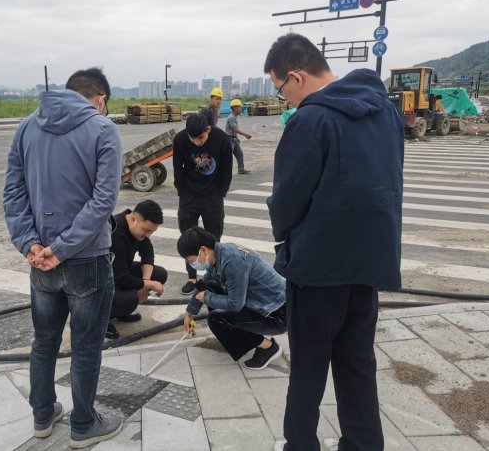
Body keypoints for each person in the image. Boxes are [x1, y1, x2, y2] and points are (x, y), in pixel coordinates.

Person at [264, 34, 404, 451]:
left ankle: (300, 444)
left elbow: (287, 199)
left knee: (308, 368)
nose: (285, 100)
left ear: (295, 77)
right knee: (357, 364)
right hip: (370, 263)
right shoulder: (386, 111)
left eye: (280, 90)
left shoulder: (310, 120)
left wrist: (284, 235)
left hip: (318, 268)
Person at [3, 67, 124, 449]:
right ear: (100, 99)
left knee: (44, 342)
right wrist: (64, 248)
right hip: (86, 260)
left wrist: (30, 244)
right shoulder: (103, 130)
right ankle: (83, 425)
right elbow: (103, 201)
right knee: (86, 347)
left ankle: (42, 416)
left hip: (40, 261)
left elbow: (13, 193)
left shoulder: (26, 127)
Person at [178, 227, 287, 370]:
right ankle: (239, 335)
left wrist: (207, 297)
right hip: (264, 305)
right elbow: (205, 283)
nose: (193, 265)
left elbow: (235, 304)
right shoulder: (219, 254)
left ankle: (268, 347)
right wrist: (189, 312)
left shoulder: (232, 261)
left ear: (203, 250)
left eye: (192, 261)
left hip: (278, 315)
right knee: (211, 287)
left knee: (216, 319)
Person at [173, 112, 233, 296]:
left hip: (213, 196)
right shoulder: (180, 139)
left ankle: (214, 277)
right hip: (189, 195)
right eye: (192, 138)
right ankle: (192, 278)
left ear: (208, 129)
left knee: (214, 238)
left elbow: (227, 169)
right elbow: (178, 168)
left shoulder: (221, 139)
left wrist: (221, 192)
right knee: (187, 236)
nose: (196, 142)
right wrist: (182, 191)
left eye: (200, 138)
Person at [107, 200, 167, 339]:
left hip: (118, 273)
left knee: (159, 274)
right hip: (100, 282)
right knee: (131, 299)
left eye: (152, 232)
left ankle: (122, 311)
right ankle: (101, 319)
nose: (148, 235)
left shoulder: (137, 228)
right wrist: (147, 285)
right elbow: (122, 279)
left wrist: (145, 283)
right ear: (134, 219)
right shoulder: (116, 233)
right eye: (146, 230)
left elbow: (147, 254)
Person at [225, 98, 252, 174]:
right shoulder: (231, 117)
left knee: (239, 154)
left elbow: (233, 131)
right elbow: (235, 129)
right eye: (240, 107)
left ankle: (241, 169)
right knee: (228, 156)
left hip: (233, 138)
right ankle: (225, 171)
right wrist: (245, 135)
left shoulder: (234, 117)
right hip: (229, 139)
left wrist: (236, 137)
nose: (241, 109)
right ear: (235, 108)